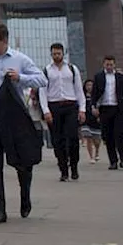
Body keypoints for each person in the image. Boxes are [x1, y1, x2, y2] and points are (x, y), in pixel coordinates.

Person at [0, 22, 47, 224]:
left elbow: (42, 80)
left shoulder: (19, 59)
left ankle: (25, 196)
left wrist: (20, 78)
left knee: (21, 162)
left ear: (4, 41)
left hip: (13, 117)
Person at [41, 42, 86, 182]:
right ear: (51, 54)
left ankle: (74, 167)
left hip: (70, 106)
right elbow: (43, 92)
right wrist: (46, 110)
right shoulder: (47, 70)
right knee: (57, 140)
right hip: (54, 107)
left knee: (72, 138)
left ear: (63, 53)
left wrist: (82, 109)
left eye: (58, 53)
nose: (56, 56)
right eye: (54, 53)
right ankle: (63, 170)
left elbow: (79, 90)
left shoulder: (72, 69)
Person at [89, 56, 123, 170]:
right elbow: (94, 94)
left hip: (118, 109)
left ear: (114, 65)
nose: (109, 67)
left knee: (121, 134)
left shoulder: (120, 77)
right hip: (105, 108)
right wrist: (94, 106)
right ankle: (113, 161)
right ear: (103, 64)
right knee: (108, 136)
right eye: (107, 64)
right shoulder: (98, 77)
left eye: (111, 64)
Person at [80, 79, 103, 163]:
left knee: (97, 140)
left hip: (95, 119)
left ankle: (97, 152)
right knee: (88, 137)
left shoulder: (97, 96)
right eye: (87, 85)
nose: (89, 87)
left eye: (91, 85)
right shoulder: (82, 96)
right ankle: (91, 156)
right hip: (86, 118)